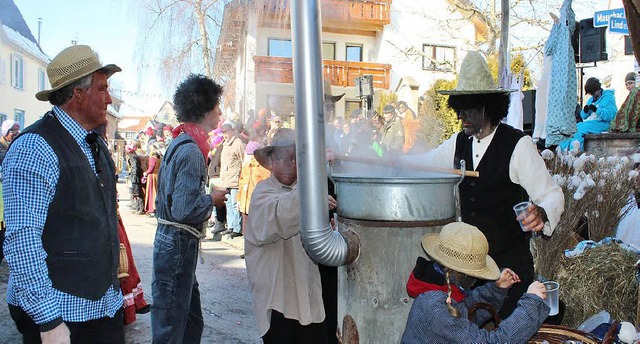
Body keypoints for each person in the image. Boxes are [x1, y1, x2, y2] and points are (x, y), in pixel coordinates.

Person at [417, 51, 564, 319]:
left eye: (471, 109)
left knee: (508, 329)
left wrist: (541, 213)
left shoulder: (518, 145)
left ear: (490, 107)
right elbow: (422, 164)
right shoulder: (457, 142)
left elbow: (551, 194)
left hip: (510, 267)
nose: (463, 116)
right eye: (460, 108)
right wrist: (378, 160)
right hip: (472, 269)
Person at [3, 44, 124, 343]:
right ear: (78, 94)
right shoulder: (34, 147)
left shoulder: (92, 143)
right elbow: (22, 239)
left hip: (102, 307)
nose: (109, 99)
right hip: (60, 312)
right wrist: (48, 321)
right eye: (102, 89)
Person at [151, 74, 228, 343]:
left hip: (173, 243)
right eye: (217, 107)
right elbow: (184, 210)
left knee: (190, 322)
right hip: (178, 245)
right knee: (172, 327)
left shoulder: (180, 141)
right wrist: (213, 200)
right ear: (205, 110)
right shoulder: (192, 151)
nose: (220, 113)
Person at [246, 128, 338, 343]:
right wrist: (312, 197)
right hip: (278, 299)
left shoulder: (305, 193)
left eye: (294, 158)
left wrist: (330, 231)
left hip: (309, 294)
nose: (288, 164)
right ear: (270, 161)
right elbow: (280, 214)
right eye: (280, 158)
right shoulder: (263, 192)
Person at [401, 222, 549, 343]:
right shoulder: (436, 309)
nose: (475, 281)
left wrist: (496, 289)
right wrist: (532, 303)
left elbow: (465, 315)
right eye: (474, 276)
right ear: (461, 274)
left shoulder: (435, 293)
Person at [558, 77, 617, 151]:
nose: (592, 95)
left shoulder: (608, 97)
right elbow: (584, 116)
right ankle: (562, 150)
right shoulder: (591, 99)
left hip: (603, 124)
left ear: (597, 90)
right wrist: (585, 111)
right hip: (591, 122)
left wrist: (597, 110)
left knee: (580, 130)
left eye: (592, 93)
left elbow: (611, 115)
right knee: (573, 129)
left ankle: (576, 151)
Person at [219, 122, 245, 238]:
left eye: (226, 132)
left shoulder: (237, 143)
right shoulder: (225, 144)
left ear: (231, 131)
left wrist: (242, 176)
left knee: (235, 205)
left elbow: (243, 159)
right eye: (223, 133)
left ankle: (237, 228)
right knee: (228, 203)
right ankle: (230, 226)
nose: (224, 135)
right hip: (226, 179)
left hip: (235, 179)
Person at [125, 143, 145, 214]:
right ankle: (137, 207)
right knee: (136, 193)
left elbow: (135, 167)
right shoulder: (133, 156)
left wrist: (133, 177)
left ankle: (140, 209)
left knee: (137, 193)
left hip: (135, 176)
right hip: (135, 176)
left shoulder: (133, 156)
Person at [142, 150, 162, 216]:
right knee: (156, 192)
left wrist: (145, 173)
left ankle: (152, 208)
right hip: (157, 176)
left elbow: (151, 168)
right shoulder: (159, 159)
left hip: (152, 177)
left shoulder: (152, 159)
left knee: (152, 192)